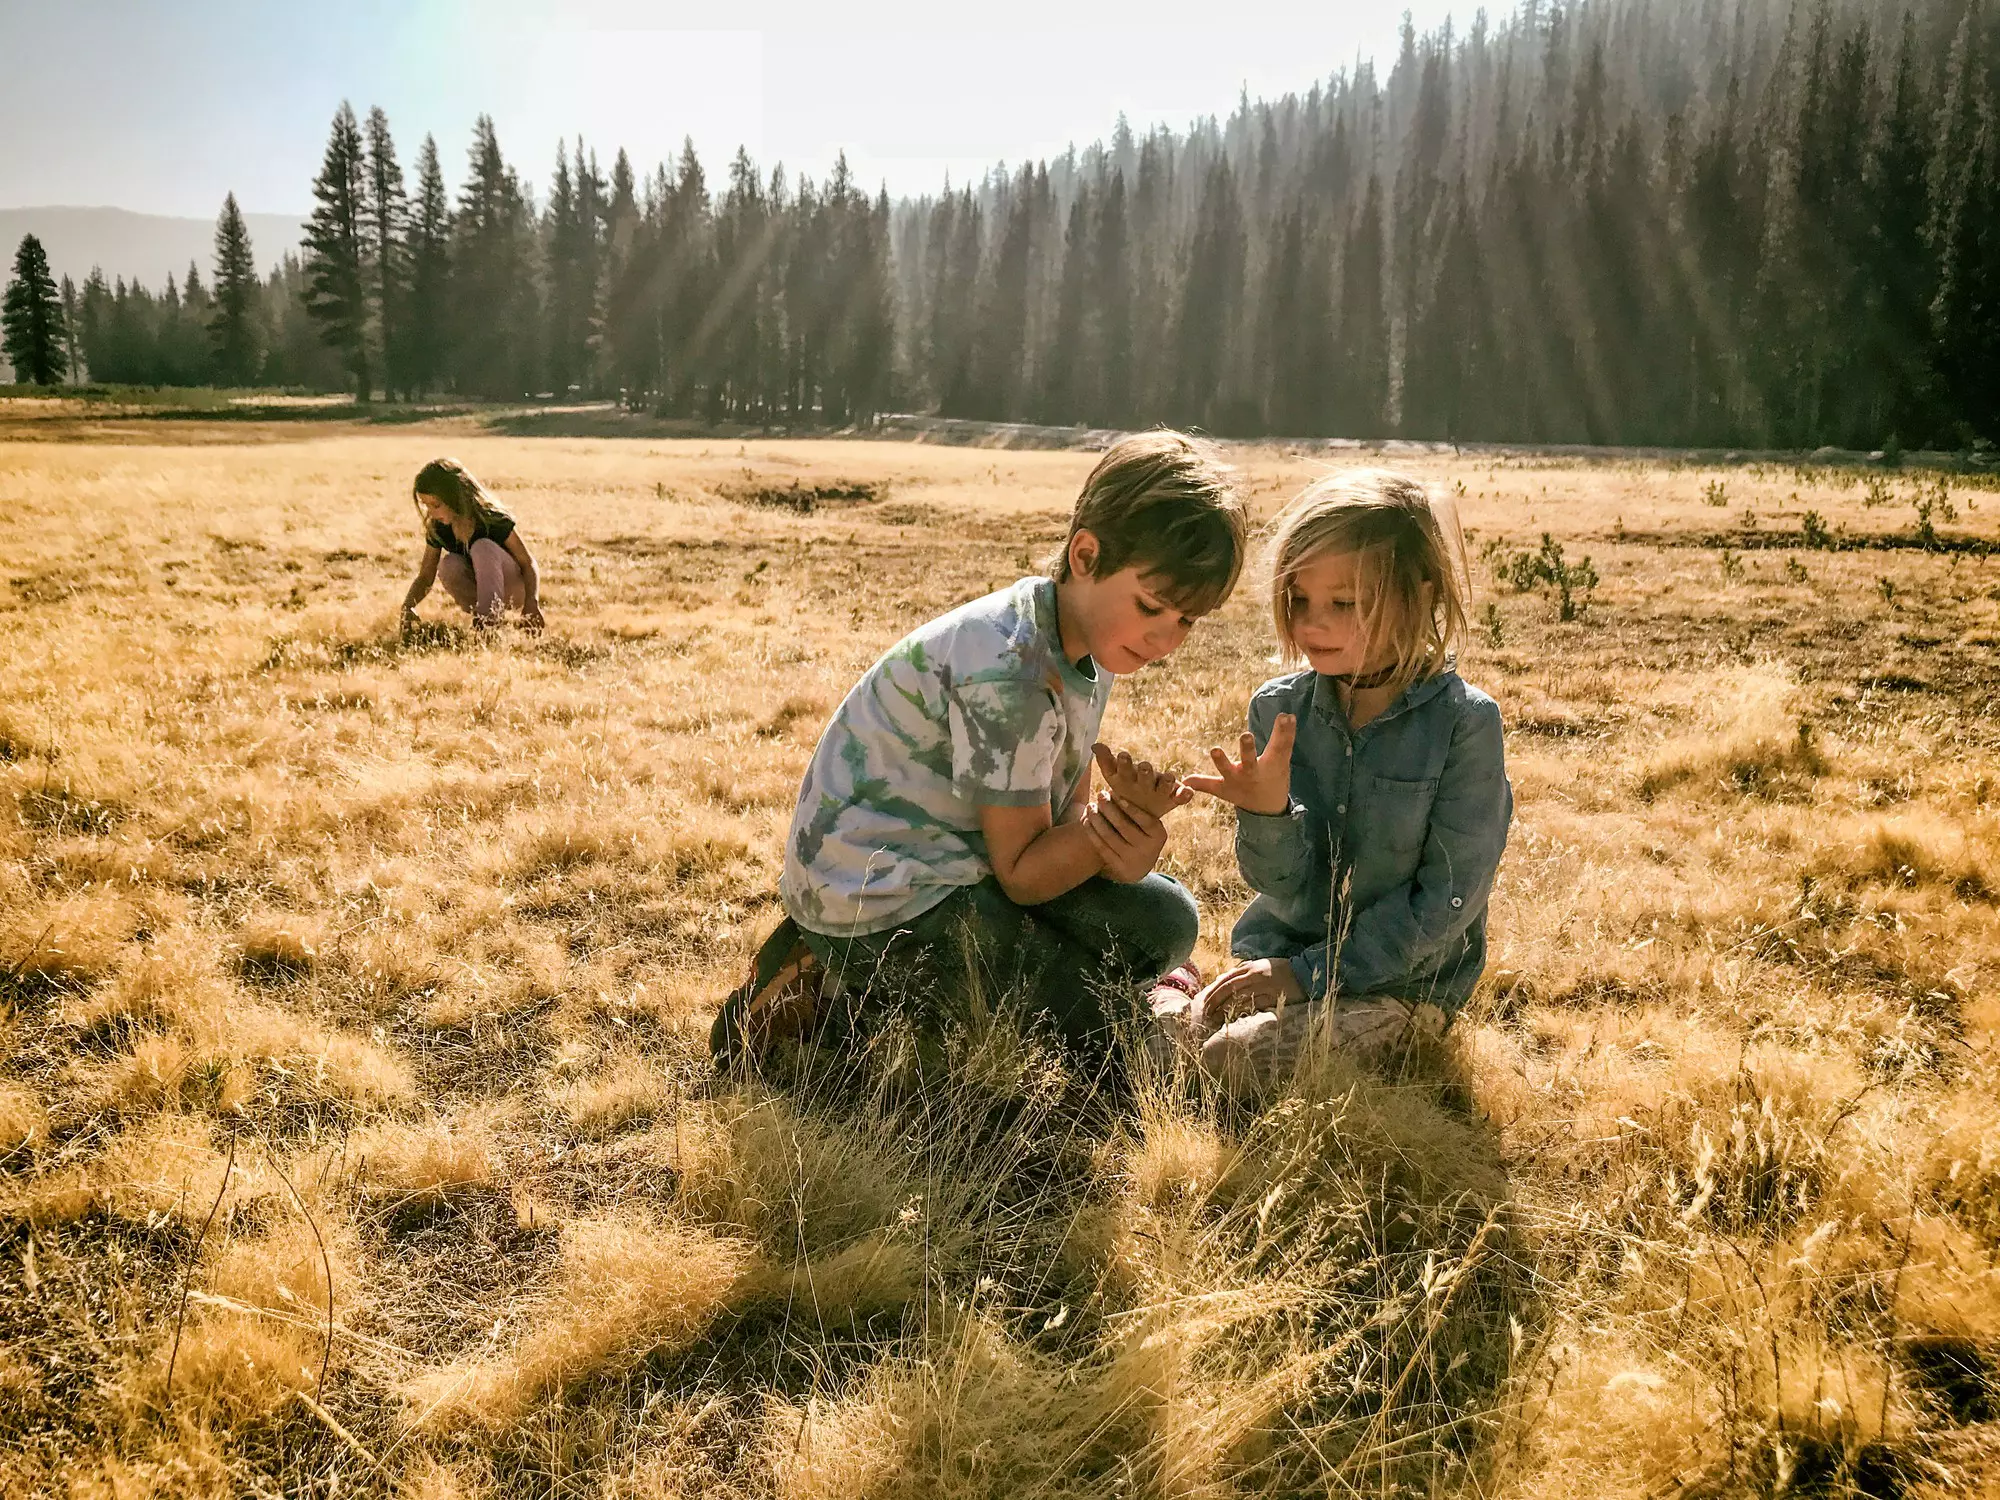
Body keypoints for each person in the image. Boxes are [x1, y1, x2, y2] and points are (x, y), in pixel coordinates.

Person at [713, 430, 1249, 1069]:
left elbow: (1055, 829)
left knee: (1168, 920)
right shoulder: (1011, 673)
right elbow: (1025, 877)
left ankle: (895, 987)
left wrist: (1121, 848)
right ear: (1085, 555)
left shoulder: (1086, 643)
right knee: (1089, 1031)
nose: (1166, 639)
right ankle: (828, 988)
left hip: (971, 866)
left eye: (1186, 621)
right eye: (1152, 607)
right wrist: (1105, 833)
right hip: (883, 898)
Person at [1171, 469, 1512, 1093]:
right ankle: (1178, 994)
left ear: (1420, 594)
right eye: (1298, 600)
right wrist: (1266, 816)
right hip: (1275, 961)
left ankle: (1195, 1007)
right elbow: (1278, 885)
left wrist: (1310, 975)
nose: (1311, 624)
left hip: (1401, 987)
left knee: (1230, 1061)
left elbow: (1445, 903)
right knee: (1152, 1042)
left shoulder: (1465, 725)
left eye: (1345, 603)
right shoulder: (1279, 711)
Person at [400, 457, 544, 635]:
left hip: (513, 589)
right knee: (449, 563)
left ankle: (488, 622)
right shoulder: (439, 528)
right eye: (426, 505)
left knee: (482, 547)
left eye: (436, 505)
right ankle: (482, 619)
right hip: (476, 590)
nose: (431, 512)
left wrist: (532, 603)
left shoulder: (492, 519)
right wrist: (408, 606)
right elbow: (425, 576)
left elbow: (528, 562)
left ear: (455, 498)